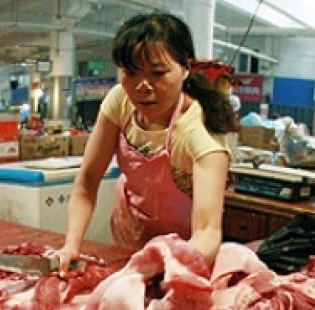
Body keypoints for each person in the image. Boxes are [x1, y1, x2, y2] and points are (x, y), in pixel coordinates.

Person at [55, 12, 238, 271]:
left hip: (187, 248)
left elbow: (207, 232)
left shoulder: (201, 133)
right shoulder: (120, 100)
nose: (143, 86)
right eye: (131, 72)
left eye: (158, 73)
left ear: (185, 68)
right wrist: (71, 245)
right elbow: (87, 182)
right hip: (130, 230)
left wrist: (173, 268)